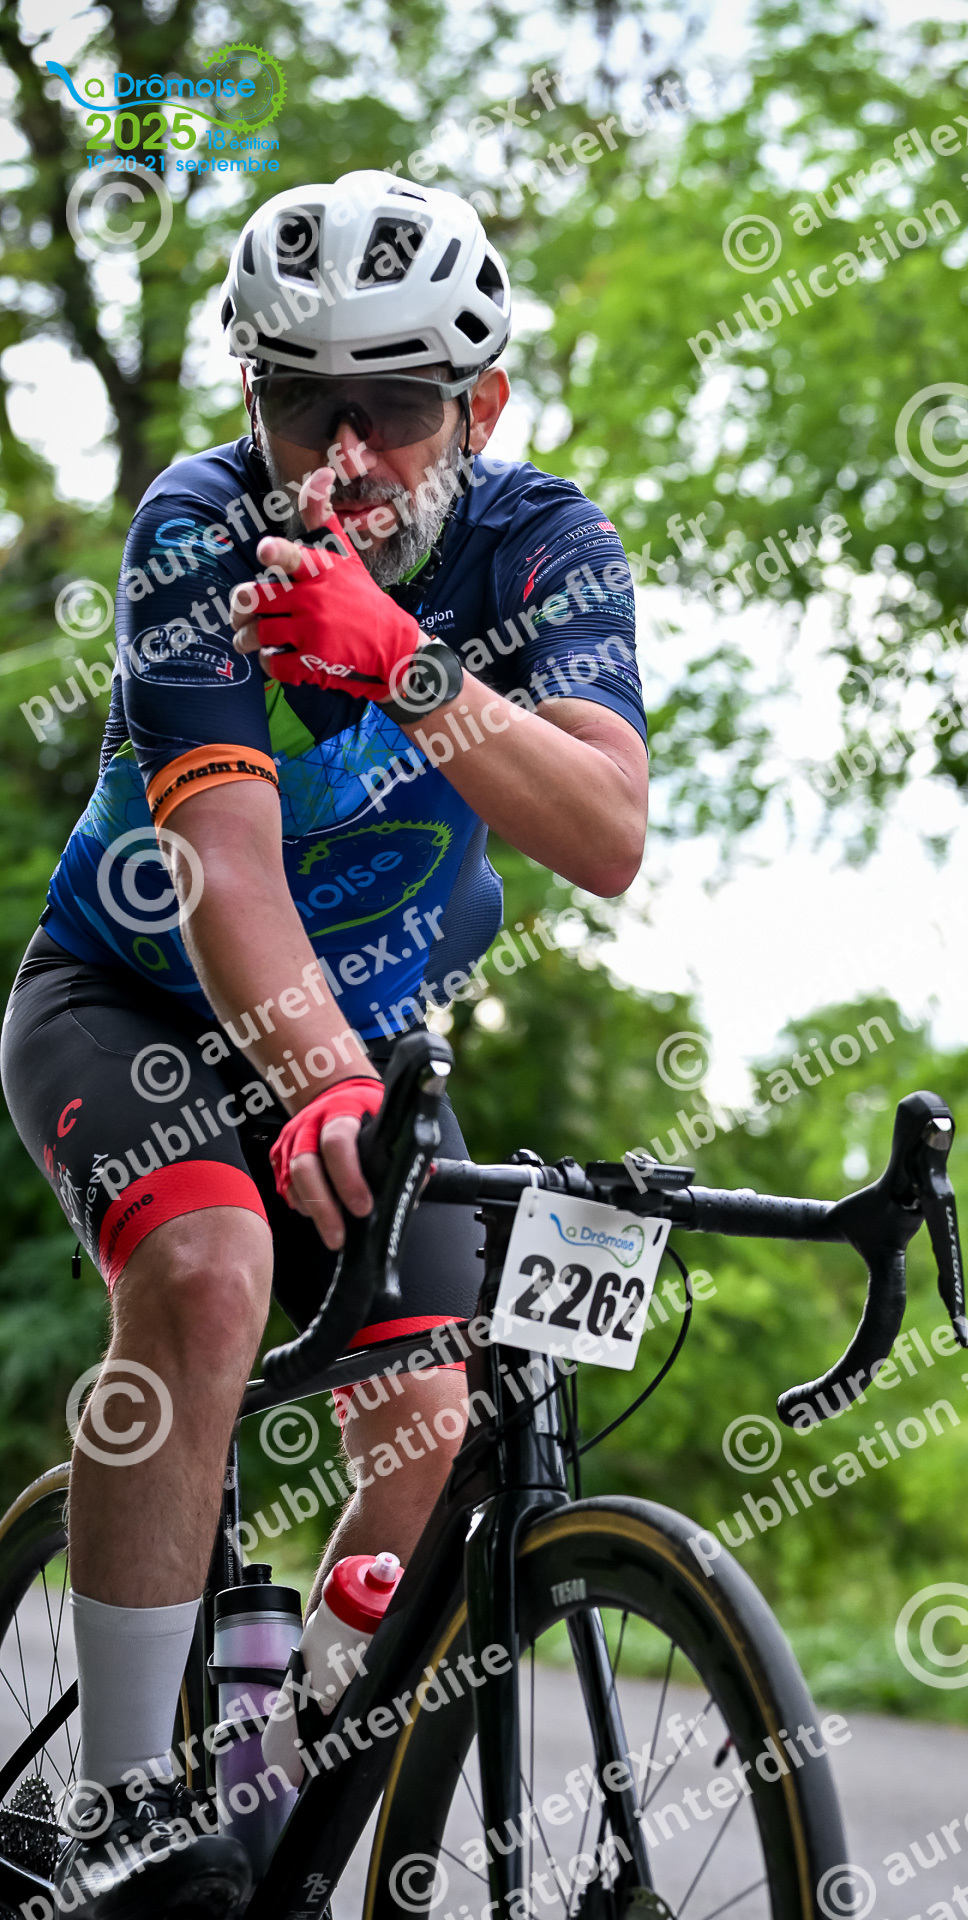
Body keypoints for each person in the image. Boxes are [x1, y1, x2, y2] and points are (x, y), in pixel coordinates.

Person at [1, 169, 647, 1916]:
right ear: (252, 399)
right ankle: (130, 1817)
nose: (345, 454)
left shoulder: (544, 543)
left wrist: (409, 668)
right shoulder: (200, 528)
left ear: (481, 407)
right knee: (206, 1272)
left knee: (434, 1437)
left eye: (397, 406)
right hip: (130, 1001)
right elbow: (220, 866)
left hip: (371, 1034)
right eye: (302, 404)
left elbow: (604, 834)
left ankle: (264, 1799)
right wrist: (321, 1085)